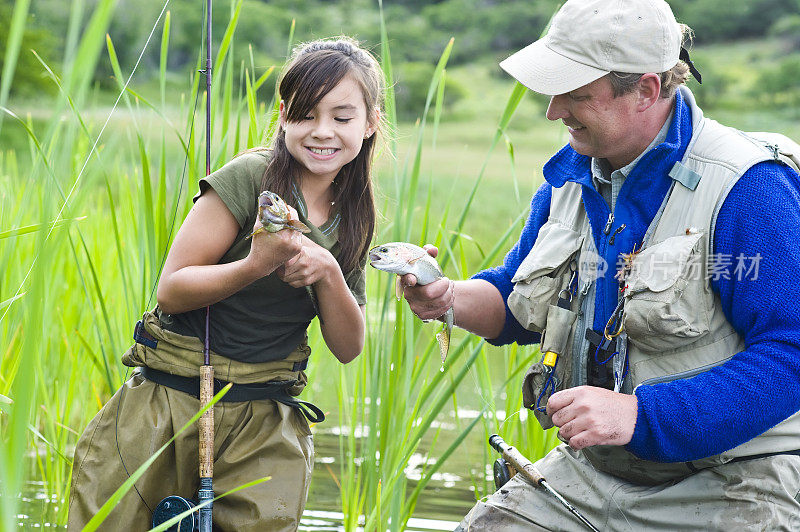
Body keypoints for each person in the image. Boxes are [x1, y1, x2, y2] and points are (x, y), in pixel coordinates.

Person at [401, 0, 800, 529]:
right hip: (594, 473)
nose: (553, 110)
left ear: (647, 90)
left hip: (734, 477)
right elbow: (518, 307)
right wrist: (447, 298)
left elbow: (790, 354)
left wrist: (638, 416)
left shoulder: (749, 187)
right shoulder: (571, 173)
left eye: (577, 94)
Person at [67, 36, 384, 531]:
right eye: (305, 115)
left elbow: (348, 346)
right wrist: (256, 264)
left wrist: (327, 272)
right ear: (282, 116)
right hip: (167, 401)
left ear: (369, 125)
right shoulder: (250, 176)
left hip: (266, 416)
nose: (323, 132)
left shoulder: (357, 216)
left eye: (342, 118)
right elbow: (171, 289)